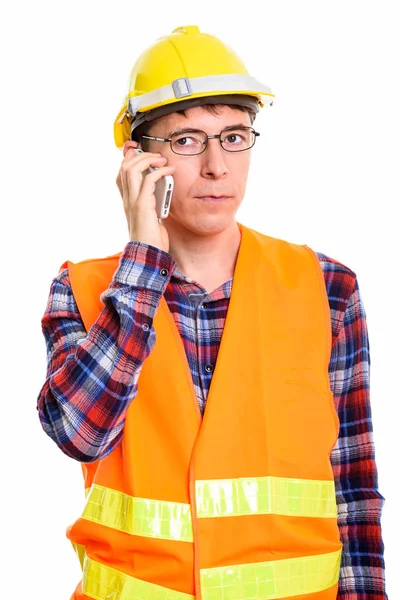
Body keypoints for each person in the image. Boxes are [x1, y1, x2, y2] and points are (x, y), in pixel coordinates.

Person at [37, 25, 388, 600]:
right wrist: (144, 255)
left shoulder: (327, 289)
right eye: (186, 141)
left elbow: (353, 487)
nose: (217, 167)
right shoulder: (82, 290)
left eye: (233, 136)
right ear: (138, 158)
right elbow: (80, 432)